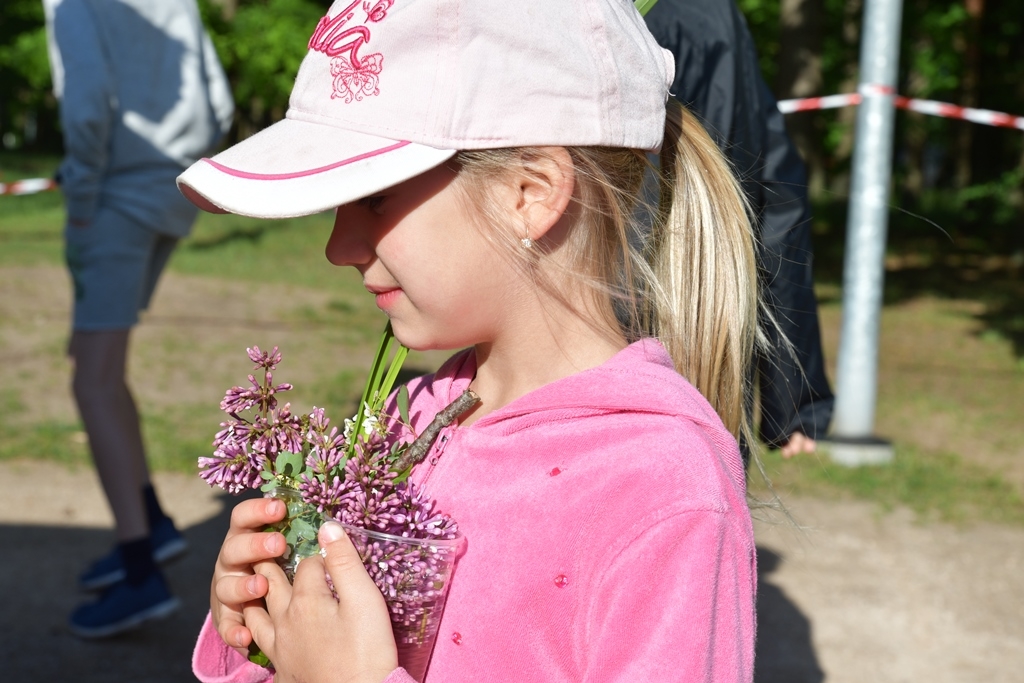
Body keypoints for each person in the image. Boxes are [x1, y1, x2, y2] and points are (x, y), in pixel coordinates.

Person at [179, 0, 757, 680]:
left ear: (529, 192)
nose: (337, 246)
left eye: (373, 198)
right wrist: (258, 632)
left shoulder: (661, 493)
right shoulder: (405, 420)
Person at [43, 0, 233, 637]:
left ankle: (139, 573)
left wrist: (84, 200)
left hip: (115, 198)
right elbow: (221, 101)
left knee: (91, 379)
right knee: (100, 366)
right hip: (174, 194)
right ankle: (148, 521)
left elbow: (88, 102)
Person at [644, 0, 835, 459]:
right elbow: (776, 197)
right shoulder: (713, 17)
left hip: (592, 335)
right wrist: (793, 397)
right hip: (705, 338)